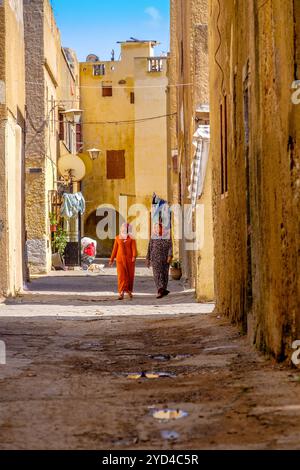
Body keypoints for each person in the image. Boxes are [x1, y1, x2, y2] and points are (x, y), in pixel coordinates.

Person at [109, 223, 137, 300]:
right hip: (120, 260)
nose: (122, 228)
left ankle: (129, 291)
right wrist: (111, 260)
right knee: (121, 276)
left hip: (129, 259)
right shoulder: (117, 238)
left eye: (124, 227)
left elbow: (134, 248)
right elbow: (114, 249)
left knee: (129, 275)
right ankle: (121, 292)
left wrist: (134, 256)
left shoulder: (131, 238)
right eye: (121, 227)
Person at [146, 223, 173, 299]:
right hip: (155, 259)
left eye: (158, 227)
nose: (156, 229)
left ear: (161, 228)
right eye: (155, 228)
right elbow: (149, 247)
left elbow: (170, 246)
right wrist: (148, 259)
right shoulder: (153, 237)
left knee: (164, 274)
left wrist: (170, 255)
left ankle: (163, 289)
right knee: (157, 274)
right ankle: (160, 290)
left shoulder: (167, 236)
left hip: (165, 258)